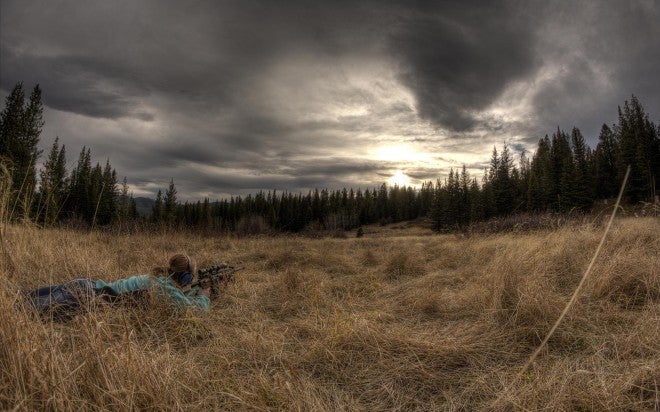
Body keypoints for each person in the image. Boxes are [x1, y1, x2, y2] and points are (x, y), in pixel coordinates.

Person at [21, 254, 213, 320]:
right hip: (84, 296)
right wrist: (204, 294)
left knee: (21, 296)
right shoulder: (163, 287)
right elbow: (191, 309)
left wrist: (195, 289)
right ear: (185, 275)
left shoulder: (160, 278)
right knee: (21, 311)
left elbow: (180, 297)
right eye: (191, 275)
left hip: (85, 285)